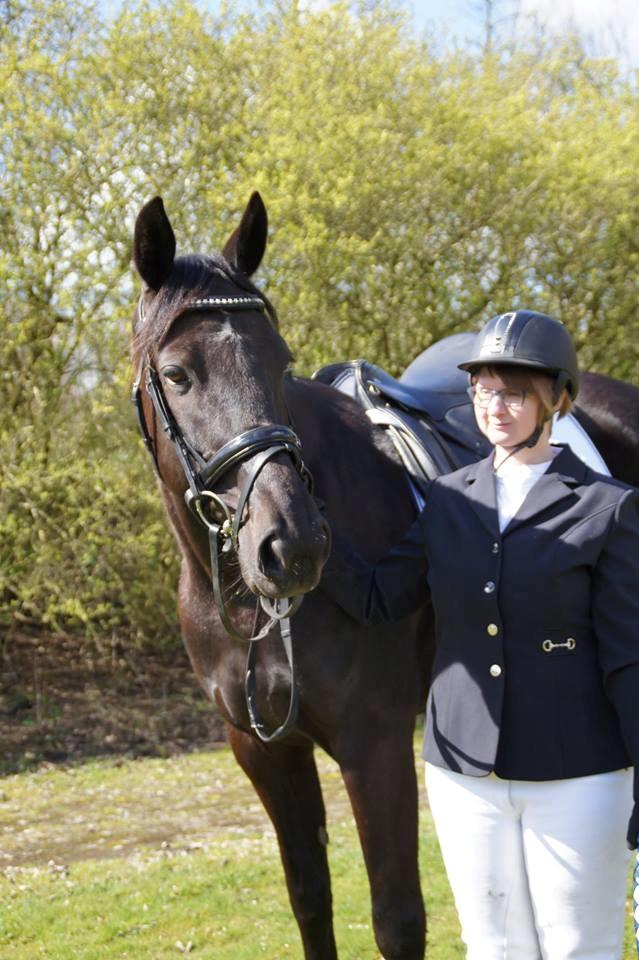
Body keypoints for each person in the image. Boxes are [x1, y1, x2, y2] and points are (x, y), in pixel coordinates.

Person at [319, 310, 639, 960]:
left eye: (515, 391)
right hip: (464, 774)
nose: (496, 406)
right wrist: (310, 530)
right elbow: (380, 599)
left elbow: (628, 658)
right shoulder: (446, 500)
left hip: (577, 773)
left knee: (579, 947)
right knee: (493, 948)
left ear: (560, 398)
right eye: (484, 390)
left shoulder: (606, 507)